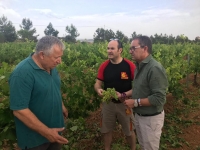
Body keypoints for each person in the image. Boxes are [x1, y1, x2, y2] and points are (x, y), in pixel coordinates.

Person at [9, 36, 69, 150]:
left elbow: (53, 87)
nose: (59, 61)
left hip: (55, 132)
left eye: (60, 57)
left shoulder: (51, 66)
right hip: (35, 141)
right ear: (42, 55)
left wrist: (62, 106)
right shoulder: (22, 73)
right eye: (56, 57)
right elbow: (19, 110)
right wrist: (47, 132)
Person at [124, 36, 168, 150]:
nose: (130, 51)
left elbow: (159, 98)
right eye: (130, 48)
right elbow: (139, 89)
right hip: (140, 116)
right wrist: (125, 95)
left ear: (145, 48)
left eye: (133, 48)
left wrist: (135, 103)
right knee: (144, 146)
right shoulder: (139, 66)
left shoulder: (154, 68)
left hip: (151, 119)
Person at [94, 39, 136, 150]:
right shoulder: (104, 66)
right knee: (106, 130)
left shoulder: (129, 66)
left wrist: (123, 95)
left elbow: (137, 87)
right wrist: (98, 90)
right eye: (108, 48)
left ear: (120, 50)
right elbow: (97, 84)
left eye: (112, 48)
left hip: (125, 103)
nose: (109, 51)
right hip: (108, 104)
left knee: (129, 131)